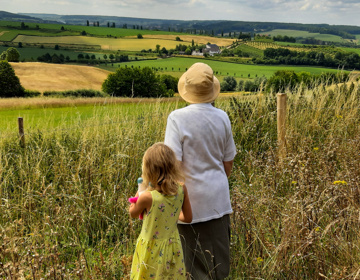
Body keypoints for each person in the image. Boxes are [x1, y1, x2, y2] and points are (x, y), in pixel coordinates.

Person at [164, 62, 237, 279]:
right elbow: (228, 162)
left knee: (193, 266)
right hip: (219, 199)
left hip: (189, 203)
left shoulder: (177, 118)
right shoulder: (222, 117)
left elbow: (172, 165)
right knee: (219, 263)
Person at [129, 143, 193, 280]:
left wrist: (141, 189)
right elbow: (188, 218)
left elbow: (133, 213)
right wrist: (171, 216)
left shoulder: (147, 197)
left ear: (148, 170)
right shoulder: (181, 190)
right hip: (172, 247)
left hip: (151, 251)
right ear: (172, 166)